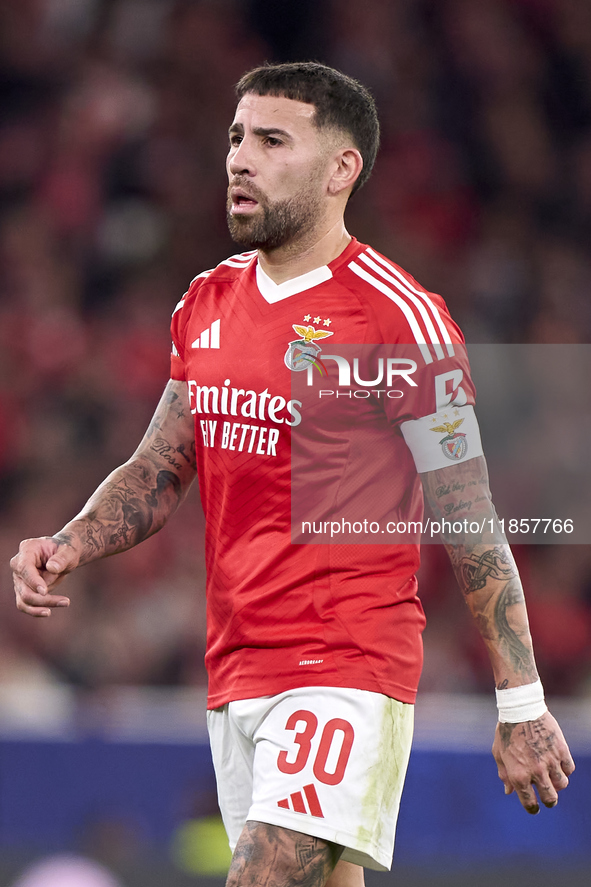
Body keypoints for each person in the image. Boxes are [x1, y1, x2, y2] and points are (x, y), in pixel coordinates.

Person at [11, 62, 574, 887]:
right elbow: (160, 467)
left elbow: (469, 512)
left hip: (345, 663)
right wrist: (67, 543)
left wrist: (520, 702)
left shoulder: (399, 318)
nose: (240, 158)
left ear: (340, 169)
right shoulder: (206, 301)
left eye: (272, 140)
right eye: (237, 137)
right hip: (236, 666)